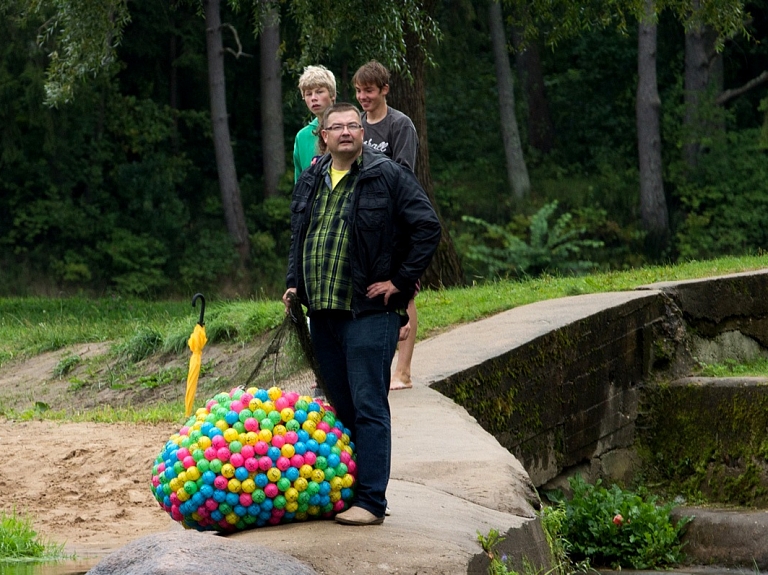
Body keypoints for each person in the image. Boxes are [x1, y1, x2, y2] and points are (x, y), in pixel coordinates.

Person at [283, 102, 440, 526]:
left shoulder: (385, 174)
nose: (347, 132)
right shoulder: (313, 176)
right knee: (343, 405)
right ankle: (348, 489)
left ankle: (371, 501)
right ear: (325, 136)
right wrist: (294, 282)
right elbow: (300, 231)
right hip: (323, 313)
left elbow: (427, 226)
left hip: (369, 312)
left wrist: (401, 283)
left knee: (370, 404)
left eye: (354, 125)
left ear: (361, 134)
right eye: (338, 127)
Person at [353, 60, 420, 390]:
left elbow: (404, 174)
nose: (363, 96)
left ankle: (403, 371)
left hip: (397, 220)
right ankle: (379, 367)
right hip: (365, 223)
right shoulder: (357, 124)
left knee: (404, 291)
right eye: (358, 91)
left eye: (368, 90)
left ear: (384, 90)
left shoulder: (400, 125)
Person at [293, 65, 336, 182]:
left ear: (333, 94)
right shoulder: (302, 136)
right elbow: (299, 182)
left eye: (319, 92)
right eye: (308, 94)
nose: (313, 98)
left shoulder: (351, 127)